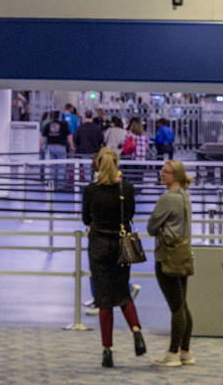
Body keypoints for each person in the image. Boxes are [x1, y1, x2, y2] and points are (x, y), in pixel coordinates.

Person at [82, 148, 146, 368]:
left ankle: (107, 351)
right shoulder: (126, 189)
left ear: (98, 164)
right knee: (123, 292)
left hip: (99, 245)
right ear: (117, 164)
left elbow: (85, 218)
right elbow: (129, 215)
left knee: (104, 299)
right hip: (121, 246)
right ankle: (136, 331)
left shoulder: (91, 190)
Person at [147, 159, 195, 367]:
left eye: (165, 172)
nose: (161, 174)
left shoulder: (167, 199)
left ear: (175, 176)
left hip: (167, 255)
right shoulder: (185, 197)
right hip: (184, 253)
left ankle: (173, 353)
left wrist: (159, 229)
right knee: (183, 305)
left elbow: (151, 226)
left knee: (176, 307)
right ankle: (185, 351)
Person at [41, 111, 74, 185]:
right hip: (61, 147)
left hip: (50, 147)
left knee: (52, 166)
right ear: (59, 117)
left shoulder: (48, 125)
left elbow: (43, 137)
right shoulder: (64, 125)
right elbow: (69, 136)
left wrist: (39, 147)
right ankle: (60, 185)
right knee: (61, 167)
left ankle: (51, 184)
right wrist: (71, 146)